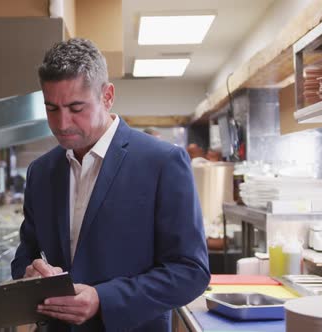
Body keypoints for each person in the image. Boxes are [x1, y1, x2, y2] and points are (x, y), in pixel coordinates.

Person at [11, 38, 210, 331]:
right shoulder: (41, 172)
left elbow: (190, 271)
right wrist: (30, 274)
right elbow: (24, 256)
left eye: (76, 107)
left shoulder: (163, 162)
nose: (62, 123)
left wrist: (103, 299)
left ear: (107, 96)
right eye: (51, 108)